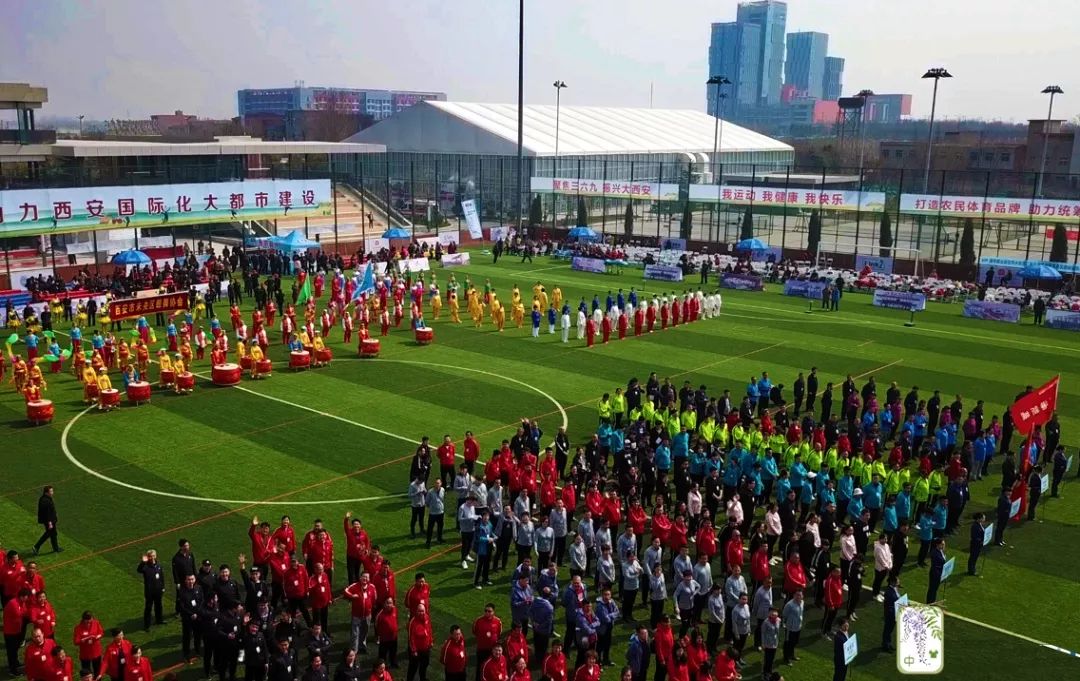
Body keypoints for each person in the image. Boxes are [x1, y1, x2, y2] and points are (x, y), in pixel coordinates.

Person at [136, 550, 165, 631]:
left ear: (155, 556)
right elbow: (139, 570)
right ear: (148, 557)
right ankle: (147, 625)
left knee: (159, 606)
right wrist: (142, 562)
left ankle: (159, 620)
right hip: (149, 591)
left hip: (158, 590)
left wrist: (163, 587)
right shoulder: (145, 566)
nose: (152, 557)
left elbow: (162, 577)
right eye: (150, 556)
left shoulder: (158, 565)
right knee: (148, 608)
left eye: (153, 556)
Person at [406, 603, 433, 681]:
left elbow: (430, 630)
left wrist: (431, 641)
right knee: (413, 667)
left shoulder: (427, 618)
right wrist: (414, 650)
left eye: (423, 611)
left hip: (426, 648)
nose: (421, 613)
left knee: (424, 665)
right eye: (419, 611)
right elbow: (411, 638)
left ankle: (422, 678)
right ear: (416, 611)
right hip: (417, 651)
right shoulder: (413, 622)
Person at [32, 486, 61, 555]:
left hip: (50, 520)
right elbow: (47, 513)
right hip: (49, 521)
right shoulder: (45, 501)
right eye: (51, 491)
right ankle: (36, 546)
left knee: (53, 534)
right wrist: (50, 523)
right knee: (49, 533)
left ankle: (56, 548)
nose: (52, 493)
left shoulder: (45, 498)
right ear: (46, 492)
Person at [881, 576, 901, 651]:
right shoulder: (889, 592)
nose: (899, 582)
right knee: (887, 630)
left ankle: (888, 643)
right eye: (897, 581)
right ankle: (885, 645)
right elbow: (889, 606)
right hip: (890, 614)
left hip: (895, 613)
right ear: (892, 582)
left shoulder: (894, 588)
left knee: (890, 630)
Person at [925, 538, 946, 604]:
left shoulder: (940, 551)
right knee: (932, 589)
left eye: (944, 544)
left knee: (935, 589)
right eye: (942, 544)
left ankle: (932, 601)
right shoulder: (934, 553)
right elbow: (938, 563)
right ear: (937, 545)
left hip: (938, 572)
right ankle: (929, 602)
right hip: (935, 573)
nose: (943, 546)